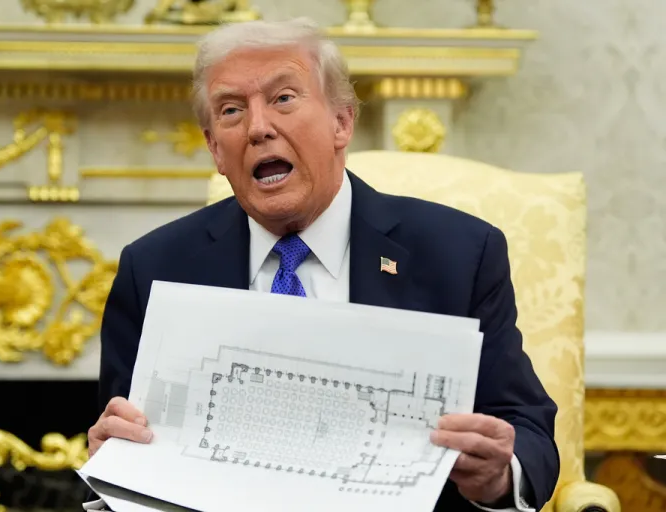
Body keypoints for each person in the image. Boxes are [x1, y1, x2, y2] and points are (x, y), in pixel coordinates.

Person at [87, 17, 559, 512]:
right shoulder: (154, 269)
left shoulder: (458, 254)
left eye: (284, 98)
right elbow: (119, 452)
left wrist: (499, 477)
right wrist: (113, 468)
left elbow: (526, 427)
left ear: (342, 122)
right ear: (213, 149)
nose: (258, 127)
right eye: (231, 110)